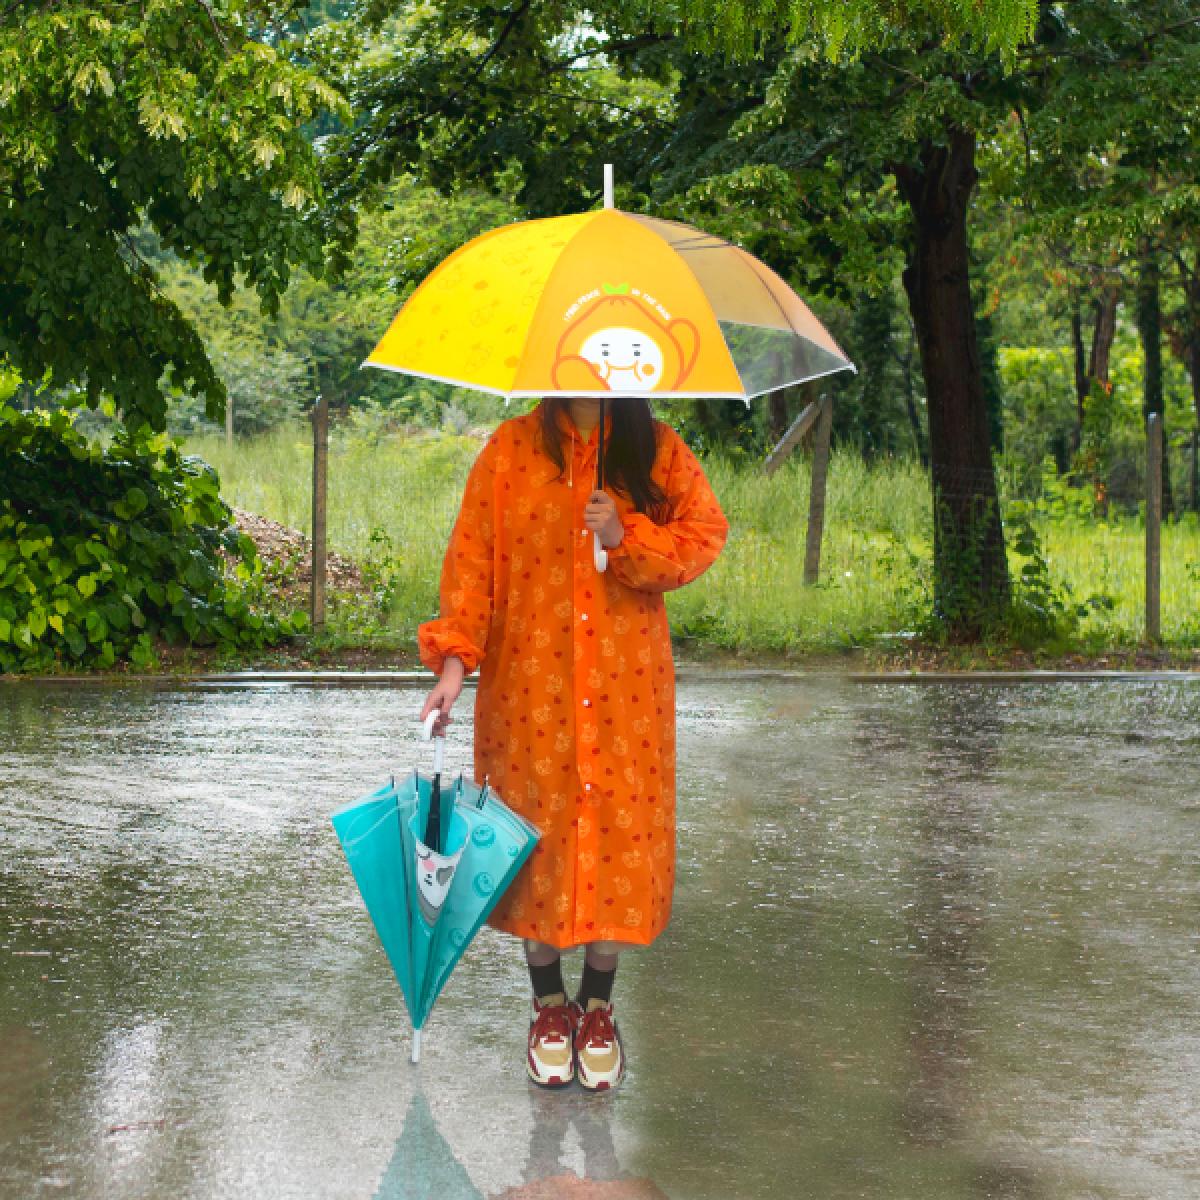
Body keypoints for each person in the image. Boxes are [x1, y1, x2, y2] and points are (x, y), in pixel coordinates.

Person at [418, 395, 728, 1091]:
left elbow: (705, 535)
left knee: (615, 840)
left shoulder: (657, 451)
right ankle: (547, 1004)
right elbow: (473, 568)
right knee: (536, 836)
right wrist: (453, 665)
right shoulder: (509, 452)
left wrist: (626, 535)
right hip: (531, 692)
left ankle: (598, 1008)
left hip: (626, 692)